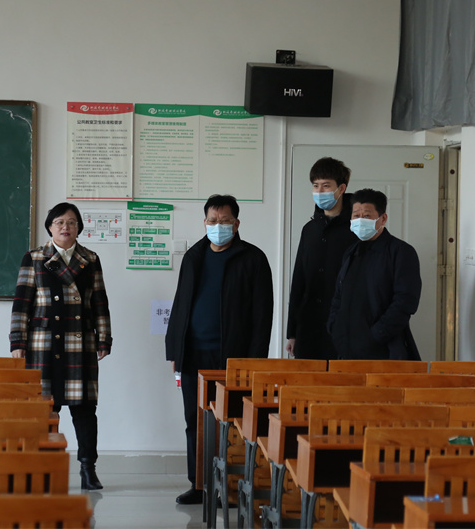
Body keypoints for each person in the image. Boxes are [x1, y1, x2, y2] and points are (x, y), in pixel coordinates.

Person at [165, 194, 274, 505]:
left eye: (224, 221)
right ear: (204, 222)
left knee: (233, 423)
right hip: (193, 354)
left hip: (233, 357)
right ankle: (198, 484)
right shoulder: (194, 256)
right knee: (195, 421)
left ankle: (233, 487)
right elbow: (180, 304)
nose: (218, 226)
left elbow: (262, 314)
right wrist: (175, 349)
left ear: (236, 224)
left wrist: (254, 361)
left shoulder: (253, 258)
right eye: (212, 221)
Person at [9, 202, 111, 491]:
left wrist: (104, 338)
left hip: (80, 341)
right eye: (60, 222)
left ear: (79, 227)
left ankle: (88, 469)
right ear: (50, 227)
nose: (66, 227)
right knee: (44, 410)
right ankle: (42, 468)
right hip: (43, 342)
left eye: (72, 222)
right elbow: (22, 303)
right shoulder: (34, 258)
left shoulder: (90, 259)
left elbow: (99, 302)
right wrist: (18, 341)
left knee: (85, 410)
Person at [327, 188, 422, 360]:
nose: (360, 220)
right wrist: (334, 327)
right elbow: (338, 296)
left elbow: (405, 302)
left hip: (384, 350)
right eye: (356, 216)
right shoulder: (351, 252)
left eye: (367, 216)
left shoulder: (401, 252)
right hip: (346, 348)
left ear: (382, 218)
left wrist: (375, 335)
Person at [286, 157, 357, 360]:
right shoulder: (309, 230)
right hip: (309, 326)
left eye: (326, 186)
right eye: (315, 185)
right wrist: (292, 332)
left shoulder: (356, 228)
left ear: (341, 188)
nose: (319, 191)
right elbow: (299, 280)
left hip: (345, 326)